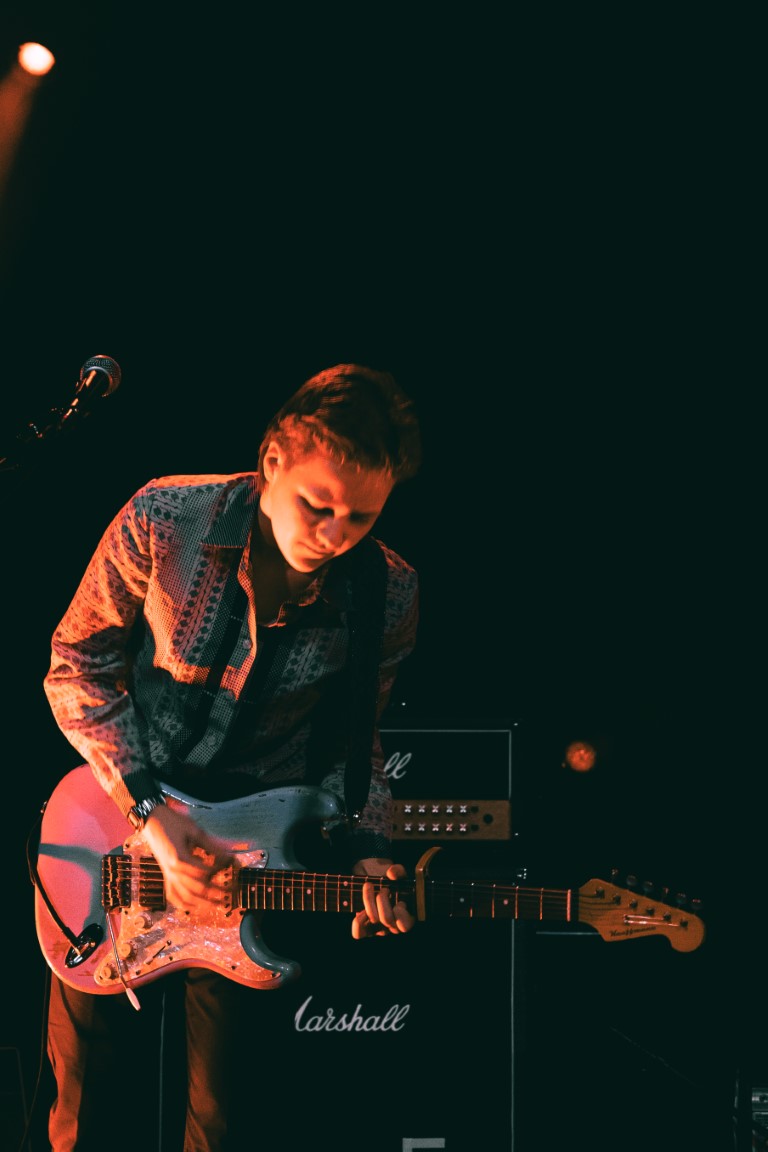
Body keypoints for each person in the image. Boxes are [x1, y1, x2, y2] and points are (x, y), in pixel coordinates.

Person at [40, 362, 422, 1151]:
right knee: (86, 1110)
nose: (334, 535)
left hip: (258, 859)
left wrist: (369, 850)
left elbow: (355, 744)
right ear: (272, 460)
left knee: (227, 1123)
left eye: (361, 518)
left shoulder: (387, 590)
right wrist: (152, 815)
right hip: (117, 830)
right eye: (318, 506)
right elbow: (76, 665)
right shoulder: (164, 517)